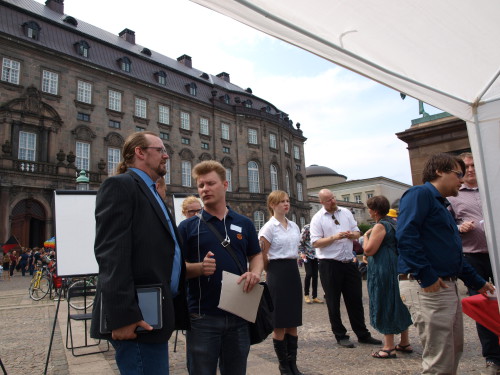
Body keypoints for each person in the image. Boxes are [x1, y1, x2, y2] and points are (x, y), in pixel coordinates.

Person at [90, 131, 188, 375]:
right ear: (140, 152)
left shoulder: (152, 192)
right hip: (137, 318)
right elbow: (111, 254)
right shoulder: (120, 185)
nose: (166, 155)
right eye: (160, 150)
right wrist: (123, 316)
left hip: (154, 313)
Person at [397, 152, 495, 375]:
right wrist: (426, 276)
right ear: (439, 171)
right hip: (429, 286)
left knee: (452, 352)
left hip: (444, 285)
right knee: (439, 361)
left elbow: (452, 253)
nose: (462, 179)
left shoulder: (442, 204)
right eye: (458, 174)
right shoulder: (419, 193)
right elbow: (406, 237)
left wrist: (477, 282)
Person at [178, 160, 264, 375]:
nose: (205, 189)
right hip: (202, 318)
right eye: (201, 185)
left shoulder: (244, 223)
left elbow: (256, 254)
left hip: (238, 313)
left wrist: (255, 272)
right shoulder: (188, 226)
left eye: (210, 183)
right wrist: (199, 268)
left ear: (225, 185)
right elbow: (175, 268)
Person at [447, 152, 500, 374]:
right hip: (472, 256)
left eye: (473, 165)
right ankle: (492, 357)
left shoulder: (492, 188)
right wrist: (459, 228)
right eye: (465, 167)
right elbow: (446, 228)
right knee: (482, 303)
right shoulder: (453, 196)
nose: (470, 170)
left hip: (496, 254)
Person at [309, 189, 381, 348]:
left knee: (355, 300)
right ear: (321, 202)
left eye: (333, 198)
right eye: (328, 200)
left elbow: (357, 232)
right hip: (329, 264)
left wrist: (352, 235)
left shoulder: (346, 212)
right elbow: (314, 243)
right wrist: (334, 237)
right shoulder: (317, 219)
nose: (333, 201)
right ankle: (340, 335)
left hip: (349, 262)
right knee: (333, 301)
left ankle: (362, 334)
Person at [259, 190, 303, 375]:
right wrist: (271, 272)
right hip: (277, 272)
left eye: (287, 201)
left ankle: (293, 364)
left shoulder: (294, 226)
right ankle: (284, 366)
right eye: (281, 201)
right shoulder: (269, 228)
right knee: (279, 322)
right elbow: (263, 255)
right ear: (272, 205)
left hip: (292, 272)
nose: (286, 204)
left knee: (292, 321)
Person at [363, 195, 412, 359]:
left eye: (370, 208)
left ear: (375, 211)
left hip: (383, 267)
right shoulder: (393, 223)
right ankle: (404, 342)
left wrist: (366, 237)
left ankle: (389, 346)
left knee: (384, 299)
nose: (369, 211)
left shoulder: (380, 226)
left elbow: (369, 250)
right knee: (398, 300)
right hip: (395, 264)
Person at [298, 224, 323, 304]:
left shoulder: (320, 228)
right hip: (307, 254)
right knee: (309, 274)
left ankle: (315, 296)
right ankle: (306, 295)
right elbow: (301, 241)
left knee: (315, 275)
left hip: (316, 255)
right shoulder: (307, 228)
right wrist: (301, 252)